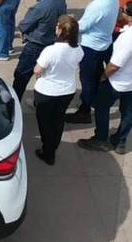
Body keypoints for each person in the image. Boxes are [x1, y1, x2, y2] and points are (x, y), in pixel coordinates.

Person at [78, 0, 132, 155]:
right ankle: (121, 140)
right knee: (128, 110)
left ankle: (101, 139)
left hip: (118, 81)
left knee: (102, 107)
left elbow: (115, 65)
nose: (121, 11)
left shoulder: (128, 38)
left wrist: (103, 76)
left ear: (129, 18)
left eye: (124, 10)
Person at [66, 0, 119, 125]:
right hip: (103, 43)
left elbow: (83, 26)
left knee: (87, 79)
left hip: (91, 46)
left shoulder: (98, 5)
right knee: (96, 76)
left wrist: (70, 24)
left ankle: (85, 110)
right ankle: (94, 100)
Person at [32, 15, 84, 166]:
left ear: (60, 31)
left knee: (44, 122)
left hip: (47, 91)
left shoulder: (51, 51)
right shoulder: (79, 50)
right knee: (58, 119)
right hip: (67, 90)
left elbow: (37, 70)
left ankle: (48, 152)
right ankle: (53, 146)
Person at [12, 0, 66, 100]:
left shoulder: (39, 8)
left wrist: (23, 29)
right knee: (45, 76)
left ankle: (13, 104)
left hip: (35, 46)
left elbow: (25, 24)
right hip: (52, 43)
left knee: (21, 77)